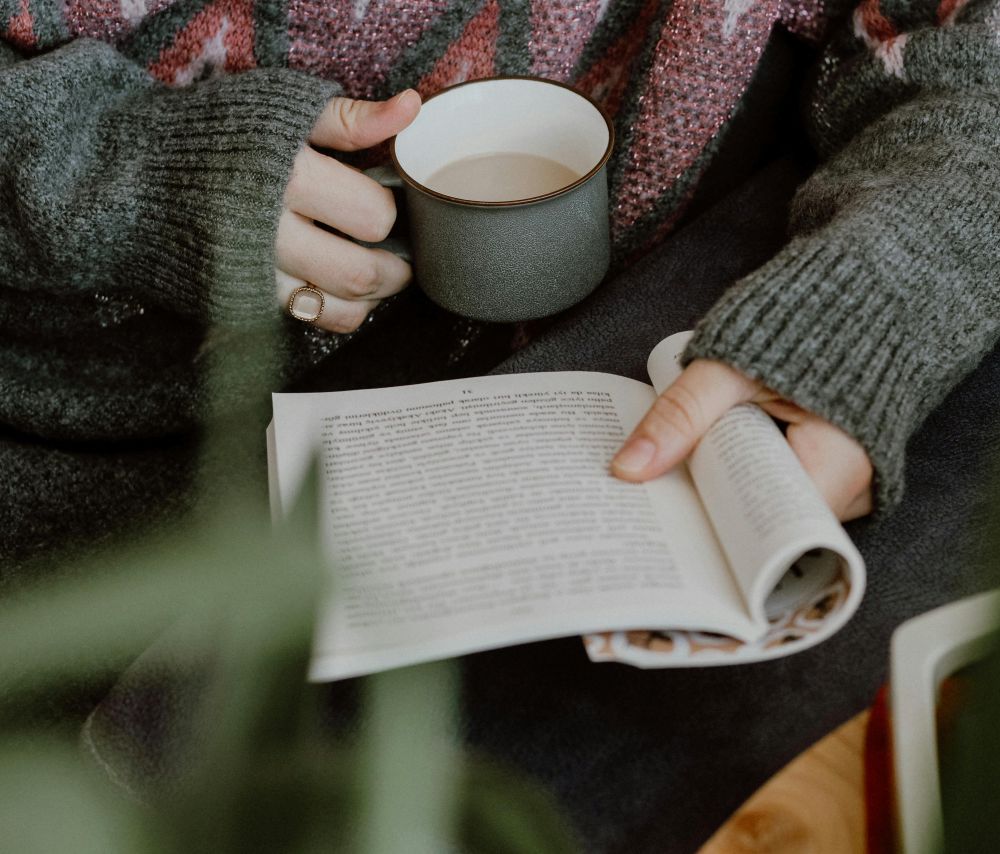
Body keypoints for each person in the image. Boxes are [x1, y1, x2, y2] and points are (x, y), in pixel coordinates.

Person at [2, 0, 999, 848]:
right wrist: (110, 168)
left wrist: (867, 303)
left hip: (629, 375)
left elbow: (971, 64)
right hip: (109, 486)